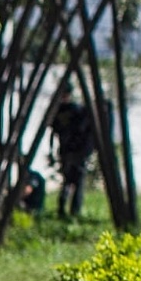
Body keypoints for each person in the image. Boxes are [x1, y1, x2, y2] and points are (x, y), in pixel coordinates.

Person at [48, 90, 96, 220]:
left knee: (68, 180)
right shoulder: (75, 110)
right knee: (76, 181)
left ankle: (64, 208)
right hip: (74, 150)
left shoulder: (57, 111)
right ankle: (72, 210)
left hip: (67, 149)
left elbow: (53, 132)